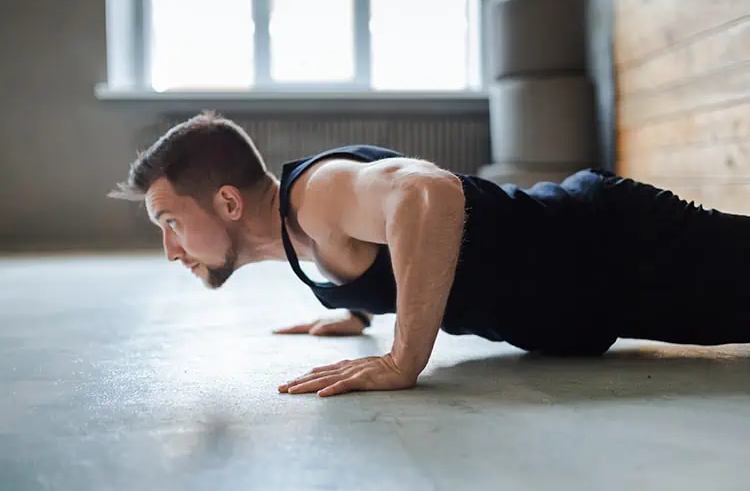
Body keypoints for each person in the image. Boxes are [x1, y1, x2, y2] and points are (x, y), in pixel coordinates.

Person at [109, 111, 750, 398]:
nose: (169, 250)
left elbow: (430, 194)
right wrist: (357, 313)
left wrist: (402, 359)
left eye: (170, 221)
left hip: (613, 246)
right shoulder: (296, 235)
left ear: (226, 203)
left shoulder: (319, 193)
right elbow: (373, 250)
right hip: (599, 302)